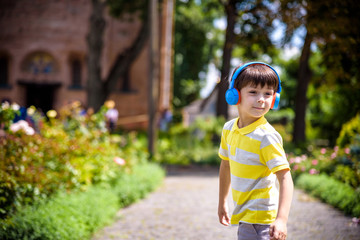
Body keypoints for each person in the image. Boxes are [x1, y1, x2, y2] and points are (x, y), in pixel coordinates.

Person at [218, 62, 293, 240]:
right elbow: (226, 165)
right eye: (253, 92)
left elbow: (285, 177)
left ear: (274, 99)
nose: (261, 99)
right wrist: (222, 202)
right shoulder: (229, 128)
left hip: (261, 220)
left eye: (268, 94)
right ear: (234, 94)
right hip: (245, 216)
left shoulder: (266, 136)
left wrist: (281, 219)